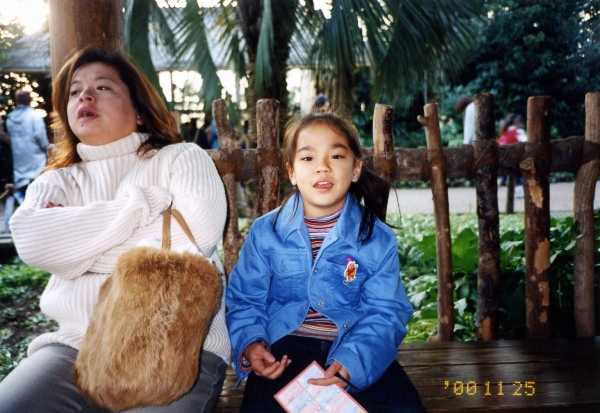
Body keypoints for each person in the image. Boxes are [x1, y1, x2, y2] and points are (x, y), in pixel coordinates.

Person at [0, 47, 230, 413]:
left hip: (176, 344)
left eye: (102, 87)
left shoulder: (182, 157)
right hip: (73, 348)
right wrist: (138, 206)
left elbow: (198, 233)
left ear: (139, 110)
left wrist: (76, 254)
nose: (85, 97)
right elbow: (33, 241)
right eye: (75, 91)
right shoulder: (57, 180)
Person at [226, 111, 426, 412]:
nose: (322, 167)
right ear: (291, 172)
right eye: (308, 158)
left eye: (336, 156)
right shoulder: (265, 233)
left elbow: (386, 312)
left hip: (356, 347)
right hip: (283, 350)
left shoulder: (377, 239)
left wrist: (353, 363)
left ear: (355, 169)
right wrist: (252, 343)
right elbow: (245, 299)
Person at [5, 88, 49, 203]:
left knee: (22, 190)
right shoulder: (34, 116)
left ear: (17, 101)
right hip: (36, 160)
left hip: (19, 160)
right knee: (37, 191)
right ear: (30, 100)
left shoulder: (10, 119)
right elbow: (41, 139)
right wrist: (48, 151)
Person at [497, 113, 527, 197]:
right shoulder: (518, 131)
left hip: (501, 157)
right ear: (518, 123)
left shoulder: (504, 131)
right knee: (518, 172)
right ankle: (519, 192)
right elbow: (526, 142)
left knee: (502, 174)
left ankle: (497, 183)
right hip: (514, 158)